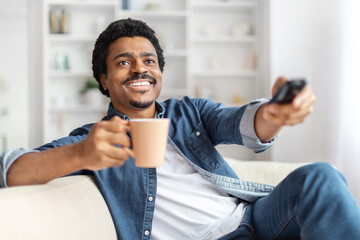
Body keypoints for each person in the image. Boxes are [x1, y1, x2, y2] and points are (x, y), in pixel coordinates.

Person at [1, 18, 359, 240]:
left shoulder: (189, 112)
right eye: (123, 63)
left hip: (255, 217)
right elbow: (11, 170)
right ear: (104, 80)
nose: (140, 69)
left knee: (322, 178)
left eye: (149, 61)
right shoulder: (94, 140)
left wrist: (275, 113)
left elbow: (241, 123)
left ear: (159, 73)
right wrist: (80, 153)